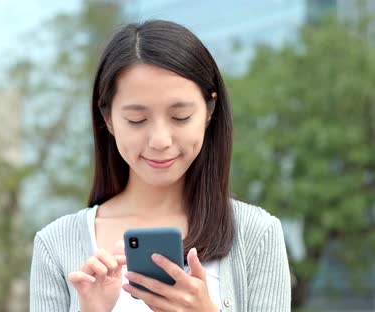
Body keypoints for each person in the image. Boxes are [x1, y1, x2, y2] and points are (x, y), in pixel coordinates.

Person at [30, 20, 290, 312]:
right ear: (108, 119)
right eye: (137, 120)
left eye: (180, 117)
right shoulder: (55, 245)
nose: (160, 140)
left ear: (209, 110)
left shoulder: (257, 234)